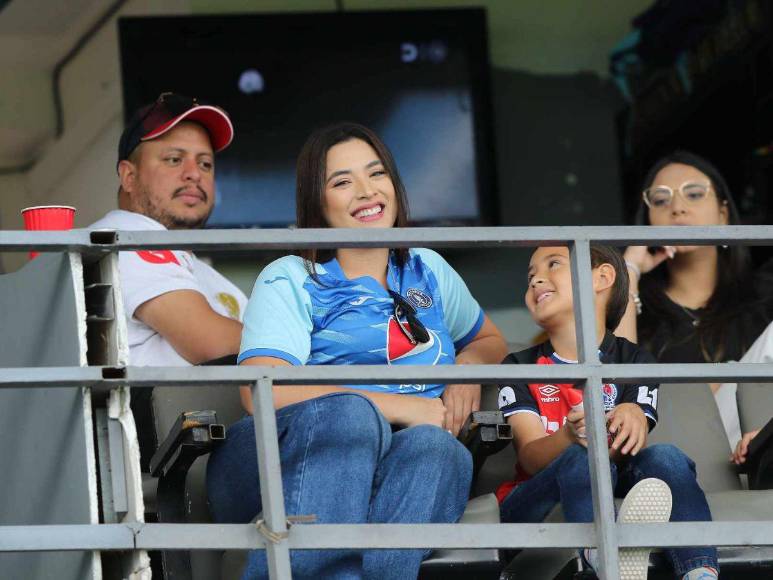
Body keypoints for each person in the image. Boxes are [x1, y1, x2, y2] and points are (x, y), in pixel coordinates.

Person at [206, 122, 508, 579]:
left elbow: (489, 340)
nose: (366, 192)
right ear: (318, 201)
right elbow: (260, 392)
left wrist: (466, 368)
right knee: (349, 417)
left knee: (439, 449)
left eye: (377, 173)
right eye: (342, 182)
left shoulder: (428, 267)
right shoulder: (291, 274)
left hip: (402, 454)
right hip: (277, 464)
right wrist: (398, 406)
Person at [497, 245, 718, 580]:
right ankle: (607, 559)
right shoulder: (517, 366)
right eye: (529, 277)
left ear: (602, 278)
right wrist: (570, 436)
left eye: (553, 264)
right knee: (577, 457)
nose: (536, 279)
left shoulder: (635, 361)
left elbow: (629, 446)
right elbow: (529, 457)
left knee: (667, 457)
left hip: (612, 478)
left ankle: (699, 569)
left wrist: (633, 415)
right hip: (534, 500)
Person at [617, 150, 773, 448]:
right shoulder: (637, 310)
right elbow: (614, 385)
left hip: (755, 441)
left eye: (695, 194)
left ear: (723, 214)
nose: (677, 208)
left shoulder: (762, 294)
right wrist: (630, 269)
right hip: (668, 445)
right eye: (661, 200)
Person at [90, 92, 246, 367]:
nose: (194, 173)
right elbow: (210, 341)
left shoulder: (207, 274)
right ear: (129, 176)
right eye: (174, 159)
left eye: (205, 163)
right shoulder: (122, 235)